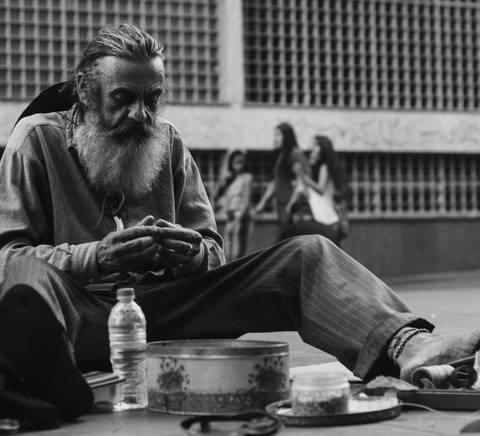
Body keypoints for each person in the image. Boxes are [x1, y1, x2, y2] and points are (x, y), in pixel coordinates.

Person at [0, 23, 479, 422]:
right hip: (79, 317)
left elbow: (213, 250)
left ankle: (411, 346)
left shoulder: (166, 143)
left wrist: (191, 251)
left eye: (153, 98)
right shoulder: (36, 140)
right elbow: (8, 255)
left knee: (306, 253)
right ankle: (39, 377)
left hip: (168, 315)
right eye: (123, 97)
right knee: (26, 279)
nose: (139, 114)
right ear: (86, 91)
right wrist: (98, 256)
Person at [287, 135, 351, 245]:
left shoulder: (324, 167)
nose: (313, 147)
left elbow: (320, 189)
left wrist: (303, 176)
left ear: (323, 148)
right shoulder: (328, 167)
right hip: (329, 220)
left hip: (327, 220)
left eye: (316, 145)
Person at [253, 122, 310, 227]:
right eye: (275, 135)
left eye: (278, 135)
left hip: (293, 208)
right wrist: (262, 202)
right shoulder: (281, 155)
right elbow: (276, 181)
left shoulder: (296, 154)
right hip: (282, 207)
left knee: (294, 240)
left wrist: (292, 205)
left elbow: (302, 182)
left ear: (287, 137)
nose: (275, 138)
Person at [214, 150, 253, 262]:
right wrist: (221, 182)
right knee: (227, 249)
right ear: (231, 163)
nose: (238, 162)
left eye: (241, 160)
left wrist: (238, 219)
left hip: (241, 216)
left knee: (237, 250)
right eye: (235, 160)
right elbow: (216, 197)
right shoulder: (230, 180)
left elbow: (246, 201)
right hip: (230, 216)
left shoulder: (247, 178)